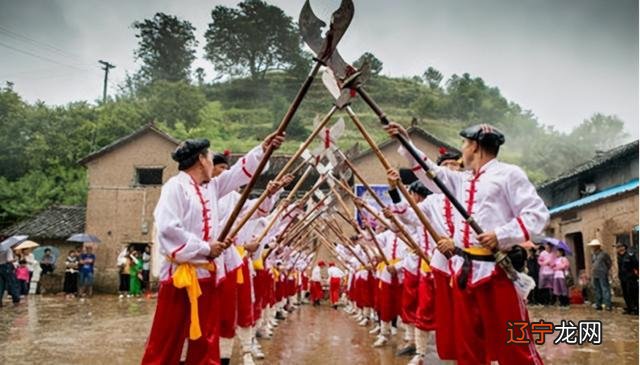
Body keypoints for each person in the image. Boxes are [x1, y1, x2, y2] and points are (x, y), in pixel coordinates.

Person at [387, 122, 549, 364]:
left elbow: (537, 214)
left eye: (464, 143)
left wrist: (501, 234)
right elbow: (429, 171)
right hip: (464, 273)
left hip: (496, 271)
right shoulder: (461, 181)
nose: (462, 149)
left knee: (513, 343)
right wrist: (405, 142)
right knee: (468, 344)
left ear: (475, 146)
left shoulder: (509, 174)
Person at [141, 132, 284, 365]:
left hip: (208, 276)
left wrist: (264, 148)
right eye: (209, 157)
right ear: (202, 160)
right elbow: (168, 229)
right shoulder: (175, 187)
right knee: (167, 339)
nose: (213, 163)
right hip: (181, 278)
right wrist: (206, 248)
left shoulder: (211, 188)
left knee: (207, 339)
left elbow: (239, 172)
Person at [588, 239, 612, 310]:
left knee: (605, 289)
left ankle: (608, 304)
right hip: (595, 274)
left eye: (593, 246)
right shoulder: (593, 255)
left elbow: (609, 263)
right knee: (597, 289)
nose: (593, 247)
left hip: (602, 273)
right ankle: (598, 304)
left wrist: (605, 270)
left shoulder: (604, 254)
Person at [616, 242, 638, 315]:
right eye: (617, 247)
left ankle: (636, 308)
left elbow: (636, 265)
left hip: (631, 277)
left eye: (619, 247)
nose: (618, 248)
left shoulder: (630, 255)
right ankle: (629, 308)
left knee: (632, 293)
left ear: (623, 247)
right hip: (623, 277)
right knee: (625, 294)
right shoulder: (619, 256)